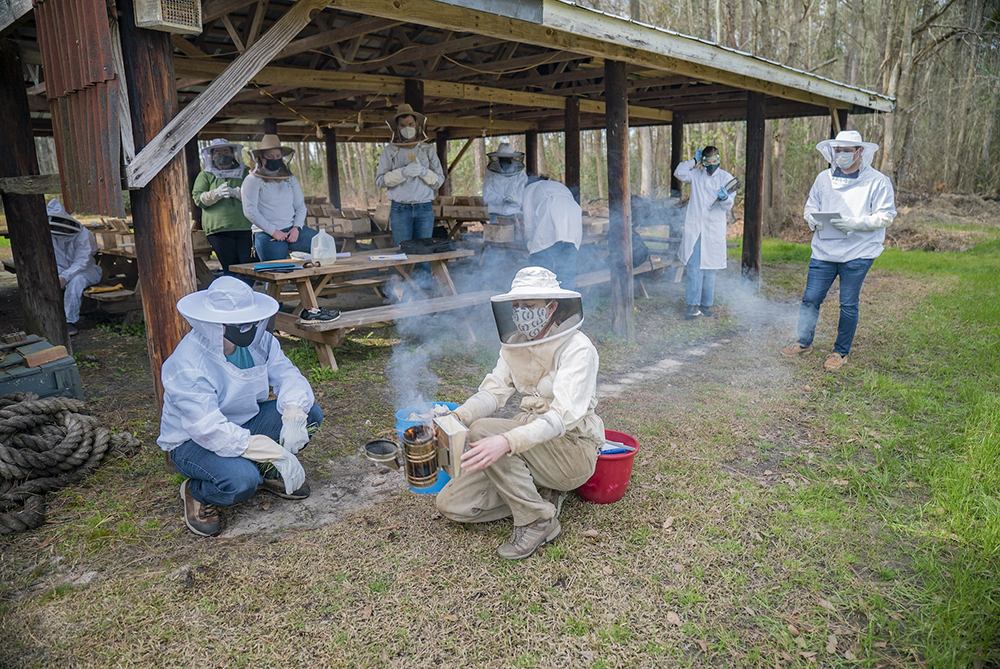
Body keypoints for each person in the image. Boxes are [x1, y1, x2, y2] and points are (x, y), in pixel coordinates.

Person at [436, 267, 604, 560]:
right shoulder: (514, 344)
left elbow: (560, 419)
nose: (521, 313)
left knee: (486, 431)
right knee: (451, 504)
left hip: (572, 449)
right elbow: (494, 391)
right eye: (516, 307)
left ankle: (537, 519)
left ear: (551, 307)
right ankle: (539, 493)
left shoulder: (578, 348)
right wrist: (458, 417)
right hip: (531, 443)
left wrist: (507, 442)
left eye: (530, 307)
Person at [157, 276, 324, 537]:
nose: (250, 327)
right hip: (193, 441)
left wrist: (293, 411)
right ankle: (196, 492)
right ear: (216, 324)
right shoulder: (187, 363)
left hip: (244, 422)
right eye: (241, 323)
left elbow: (288, 376)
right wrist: (268, 450)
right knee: (241, 481)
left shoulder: (260, 341)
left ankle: (266, 473)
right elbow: (207, 428)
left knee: (309, 414)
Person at [780, 130, 897, 371]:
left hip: (859, 252)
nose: (841, 155)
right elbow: (811, 205)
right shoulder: (823, 178)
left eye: (846, 151)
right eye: (838, 151)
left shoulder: (877, 181)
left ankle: (840, 352)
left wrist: (855, 223)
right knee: (810, 299)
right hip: (824, 250)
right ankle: (803, 342)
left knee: (847, 303)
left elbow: (886, 216)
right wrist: (811, 219)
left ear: (860, 151)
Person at [242, 134, 338, 323]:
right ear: (261, 157)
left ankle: (309, 303)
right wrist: (273, 231)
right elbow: (250, 211)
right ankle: (272, 320)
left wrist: (297, 228)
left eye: (278, 157)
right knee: (274, 276)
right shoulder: (252, 180)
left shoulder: (289, 178)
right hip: (267, 234)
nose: (275, 160)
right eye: (271, 157)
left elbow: (300, 206)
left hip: (293, 230)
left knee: (323, 248)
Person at [673, 146, 735, 319]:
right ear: (704, 162)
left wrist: (725, 198)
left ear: (719, 159)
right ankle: (692, 306)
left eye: (715, 160)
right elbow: (679, 172)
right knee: (694, 268)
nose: (711, 165)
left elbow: (729, 204)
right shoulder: (696, 175)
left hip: (713, 230)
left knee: (710, 270)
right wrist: (694, 161)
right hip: (696, 230)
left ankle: (706, 305)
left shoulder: (726, 178)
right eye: (707, 162)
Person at [374, 104, 446, 247]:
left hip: (424, 207)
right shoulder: (390, 151)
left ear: (417, 124)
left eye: (410, 124)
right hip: (399, 208)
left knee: (424, 253)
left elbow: (439, 181)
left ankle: (423, 271)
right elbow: (380, 180)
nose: (407, 127)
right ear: (397, 127)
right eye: (402, 125)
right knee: (403, 252)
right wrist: (402, 173)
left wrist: (423, 172)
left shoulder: (427, 150)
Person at [192, 138, 253, 282]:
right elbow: (198, 199)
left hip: (246, 227)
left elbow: (256, 195)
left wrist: (238, 193)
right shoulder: (206, 175)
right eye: (217, 152)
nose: (222, 154)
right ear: (212, 156)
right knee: (230, 269)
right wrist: (215, 194)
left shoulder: (245, 173)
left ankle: (247, 298)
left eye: (226, 151)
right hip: (219, 230)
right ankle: (233, 300)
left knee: (249, 268)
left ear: (232, 153)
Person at [47, 199, 102, 336]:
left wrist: (65, 276)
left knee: (76, 281)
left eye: (64, 225)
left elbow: (82, 261)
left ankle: (69, 321)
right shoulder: (52, 236)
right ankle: (51, 316)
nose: (63, 229)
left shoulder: (83, 234)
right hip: (64, 270)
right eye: (59, 227)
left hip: (87, 271)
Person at [521, 177, 583, 290]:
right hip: (574, 216)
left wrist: (529, 243)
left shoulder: (529, 189)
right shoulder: (558, 185)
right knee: (566, 272)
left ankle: (542, 301)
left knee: (540, 271)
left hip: (551, 214)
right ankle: (568, 305)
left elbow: (529, 224)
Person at [482, 142, 527, 224]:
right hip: (495, 215)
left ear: (512, 158)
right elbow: (487, 195)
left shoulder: (521, 175)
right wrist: (502, 199)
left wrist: (512, 199)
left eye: (507, 158)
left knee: (515, 237)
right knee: (495, 236)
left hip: (514, 214)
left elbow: (522, 196)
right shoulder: (491, 174)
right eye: (503, 158)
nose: (505, 160)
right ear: (498, 158)